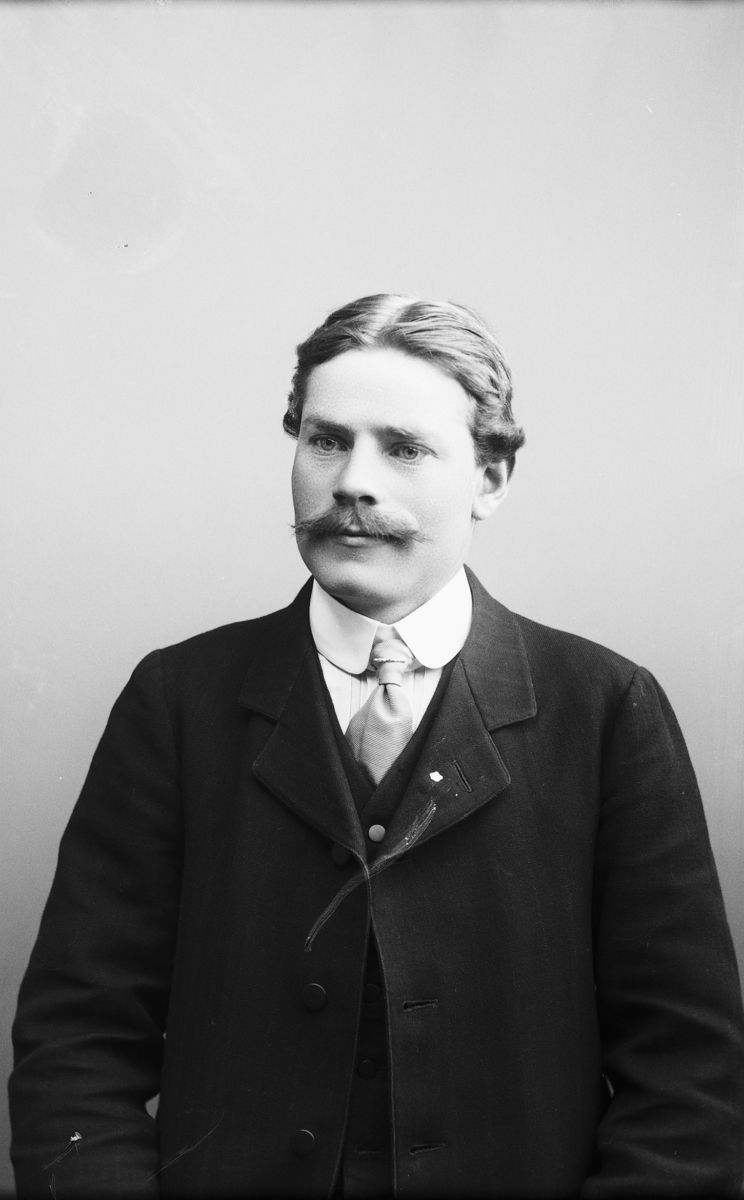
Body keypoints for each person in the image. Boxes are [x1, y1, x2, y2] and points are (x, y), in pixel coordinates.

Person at [9, 294, 744, 1199]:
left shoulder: (605, 709)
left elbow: (688, 1076)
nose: (353, 481)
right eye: (326, 441)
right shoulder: (179, 699)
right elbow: (77, 1039)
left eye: (403, 448)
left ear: (490, 479)